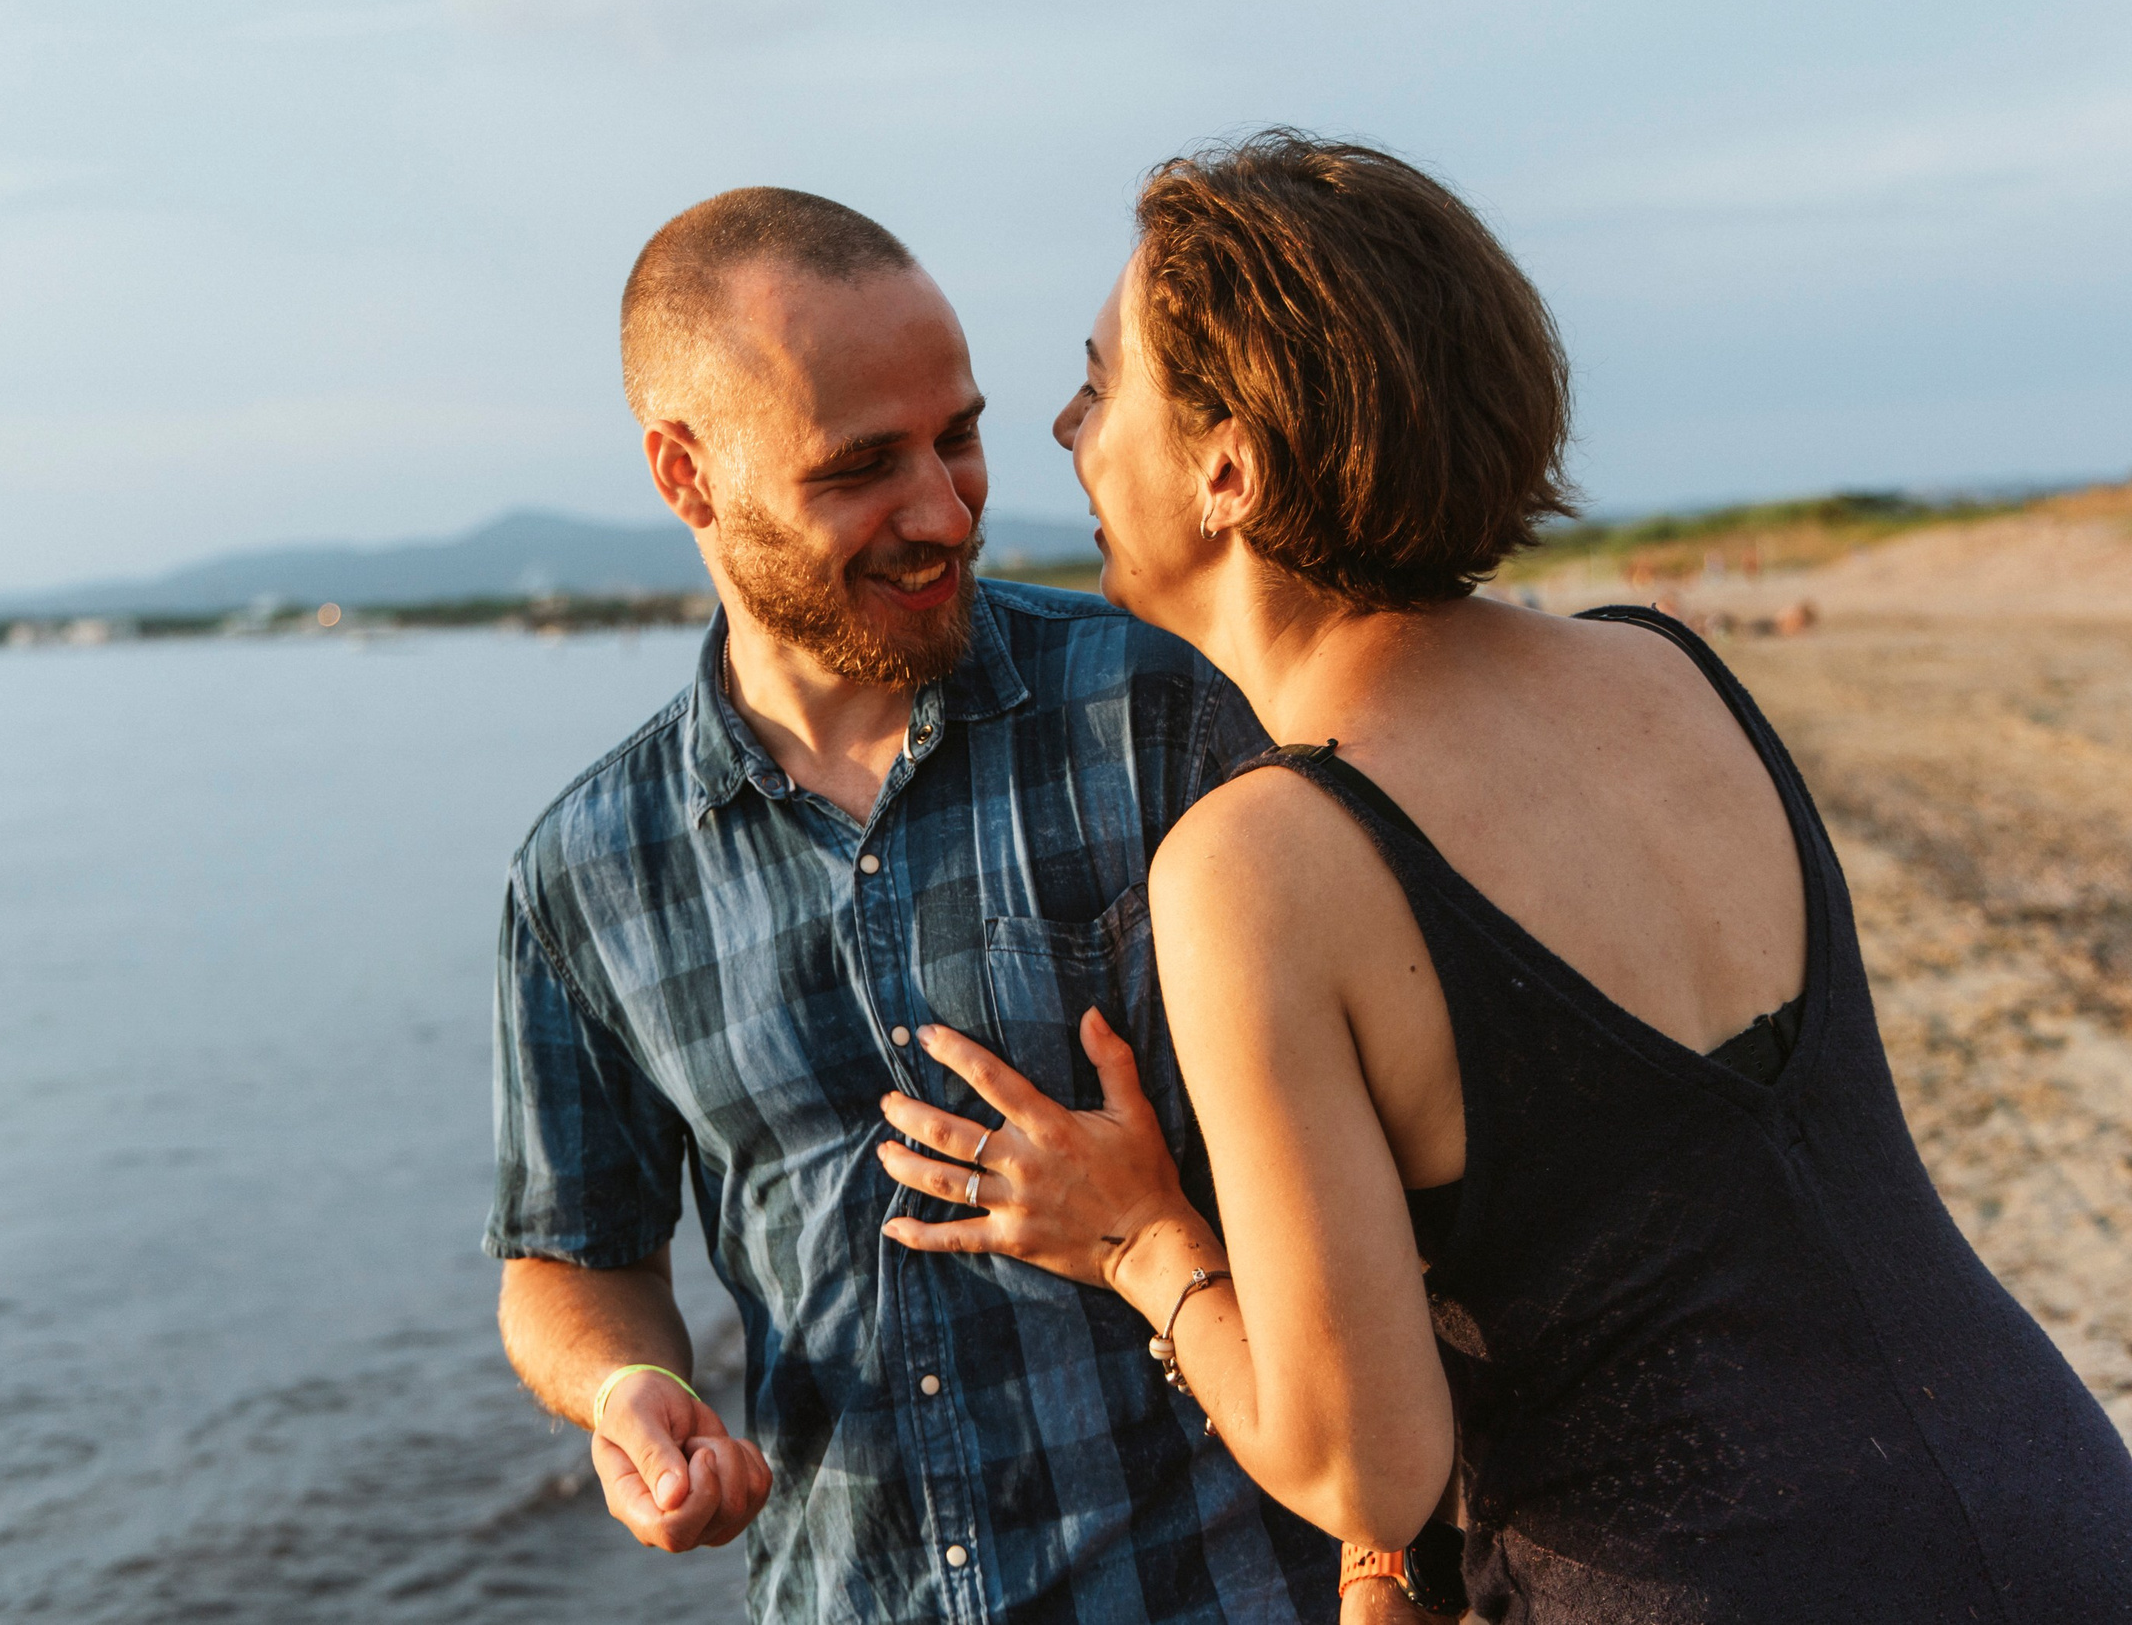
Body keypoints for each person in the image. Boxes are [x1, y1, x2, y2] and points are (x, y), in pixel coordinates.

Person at [875, 130, 2132, 1623]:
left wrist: (1143, 1244)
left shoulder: (1259, 863)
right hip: (2052, 1497)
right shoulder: (1669, 668)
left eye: (1100, 385)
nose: (1073, 434)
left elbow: (1365, 1464)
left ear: (1230, 464)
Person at [486, 187, 1354, 1623]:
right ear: (685, 476)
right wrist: (630, 1390)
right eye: (862, 466)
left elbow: (1392, 1196)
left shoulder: (1158, 716)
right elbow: (571, 1254)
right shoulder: (585, 870)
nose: (946, 511)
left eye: (960, 435)